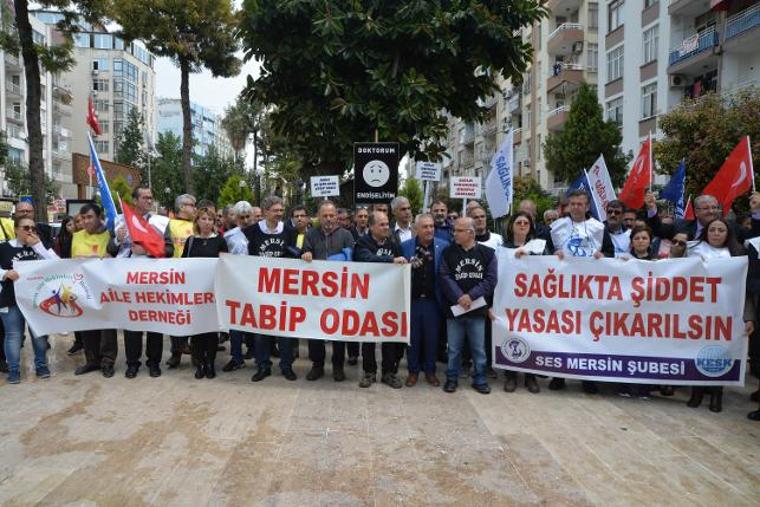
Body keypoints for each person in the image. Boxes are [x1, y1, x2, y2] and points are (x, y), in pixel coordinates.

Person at [547, 189, 613, 394]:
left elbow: (610, 253)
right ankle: (559, 375)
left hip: (589, 291)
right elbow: (544, 253)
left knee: (587, 334)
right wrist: (552, 254)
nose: (575, 207)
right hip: (563, 290)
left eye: (579, 204)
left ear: (587, 206)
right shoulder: (556, 227)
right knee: (561, 333)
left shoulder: (599, 228)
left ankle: (587, 378)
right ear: (568, 206)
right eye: (572, 203)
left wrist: (604, 255)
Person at [687, 218, 754, 413]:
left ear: (728, 234)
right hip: (697, 312)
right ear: (706, 232)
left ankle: (717, 394)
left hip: (726, 313)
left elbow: (746, 290)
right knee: (695, 351)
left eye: (721, 230)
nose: (716, 233)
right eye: (712, 230)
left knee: (721, 353)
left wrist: (749, 317)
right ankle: (696, 391)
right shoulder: (693, 250)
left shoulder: (738, 254)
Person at [109, 186, 174, 379]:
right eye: (145, 197)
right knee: (132, 322)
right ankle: (132, 363)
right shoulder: (120, 220)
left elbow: (169, 249)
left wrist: (146, 251)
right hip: (128, 279)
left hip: (153, 279)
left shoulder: (161, 222)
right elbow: (110, 250)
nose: (149, 201)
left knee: (155, 322)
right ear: (135, 201)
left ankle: (154, 362)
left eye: (151, 198)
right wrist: (117, 240)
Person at [440, 217, 497, 394]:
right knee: (454, 348)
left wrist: (470, 296)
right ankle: (452, 378)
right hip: (455, 310)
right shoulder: (448, 253)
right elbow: (444, 276)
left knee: (478, 349)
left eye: (458, 230)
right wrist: (459, 297)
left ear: (470, 233)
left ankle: (480, 379)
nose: (454, 233)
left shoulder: (488, 253)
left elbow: (491, 279)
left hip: (477, 309)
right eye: (454, 230)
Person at [0, 216, 59, 383]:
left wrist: (38, 246)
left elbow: (58, 264)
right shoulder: (3, 248)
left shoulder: (41, 246)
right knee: (13, 336)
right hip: (10, 299)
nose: (30, 231)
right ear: (16, 229)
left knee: (39, 334)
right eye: (26, 228)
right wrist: (4, 274)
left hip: (37, 300)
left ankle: (41, 366)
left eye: (33, 228)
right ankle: (13, 370)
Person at [244, 195, 297, 382]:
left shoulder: (290, 231)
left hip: (283, 289)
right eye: (275, 210)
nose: (279, 214)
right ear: (265, 211)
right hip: (260, 288)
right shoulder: (251, 231)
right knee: (260, 330)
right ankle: (263, 365)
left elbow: (292, 256)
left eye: (281, 210)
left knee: (285, 330)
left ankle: (286, 365)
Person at [301, 200, 355, 381]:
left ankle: (338, 366)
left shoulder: (346, 235)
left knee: (338, 330)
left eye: (332, 215)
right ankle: (317, 365)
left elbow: (352, 261)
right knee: (315, 329)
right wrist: (306, 255)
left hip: (339, 294)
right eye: (325, 216)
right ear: (318, 217)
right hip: (316, 293)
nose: (329, 219)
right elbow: (304, 255)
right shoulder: (310, 235)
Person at [354, 211, 408, 388]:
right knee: (369, 336)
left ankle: (389, 373)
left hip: (390, 298)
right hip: (368, 298)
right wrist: (391, 260)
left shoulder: (394, 243)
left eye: (387, 224)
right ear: (371, 227)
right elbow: (367, 260)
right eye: (382, 224)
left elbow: (403, 264)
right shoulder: (362, 243)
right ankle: (369, 372)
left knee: (389, 336)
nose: (387, 227)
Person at [401, 213, 448, 387]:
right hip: (412, 300)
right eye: (425, 227)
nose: (429, 230)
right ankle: (413, 372)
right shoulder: (405, 246)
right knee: (412, 338)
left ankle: (430, 371)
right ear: (416, 229)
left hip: (433, 301)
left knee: (432, 338)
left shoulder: (443, 246)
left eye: (431, 226)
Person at [71, 203, 118, 378]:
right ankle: (92, 360)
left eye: (90, 217)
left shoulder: (109, 235)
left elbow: (112, 257)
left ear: (99, 217)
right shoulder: (76, 236)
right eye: (83, 218)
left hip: (105, 288)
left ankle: (107, 361)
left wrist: (93, 259)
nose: (86, 221)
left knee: (107, 326)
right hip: (83, 287)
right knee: (87, 324)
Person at [182, 206, 228, 379]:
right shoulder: (191, 241)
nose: (207, 222)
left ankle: (210, 362)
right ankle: (199, 362)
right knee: (197, 330)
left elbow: (226, 264)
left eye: (210, 219)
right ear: (197, 221)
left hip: (213, 292)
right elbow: (183, 265)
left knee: (211, 330)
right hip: (195, 293)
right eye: (203, 219)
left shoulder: (219, 241)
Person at [502, 212, 545, 394]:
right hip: (509, 303)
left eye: (525, 223)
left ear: (530, 226)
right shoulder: (502, 250)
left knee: (532, 338)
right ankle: (511, 375)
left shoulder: (540, 248)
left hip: (532, 303)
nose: (521, 225)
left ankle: (530, 376)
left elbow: (550, 269)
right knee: (510, 337)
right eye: (518, 222)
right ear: (512, 226)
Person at [166, 194, 196, 369]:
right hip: (174, 276)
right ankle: (176, 353)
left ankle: (194, 350)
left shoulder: (197, 225)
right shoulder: (168, 225)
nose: (194, 208)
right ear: (182, 207)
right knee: (175, 316)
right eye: (192, 205)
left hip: (194, 277)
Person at [644, 192, 720, 241]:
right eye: (706, 208)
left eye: (714, 208)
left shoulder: (728, 228)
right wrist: (651, 209)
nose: (711, 211)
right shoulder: (680, 226)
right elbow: (658, 230)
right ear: (696, 212)